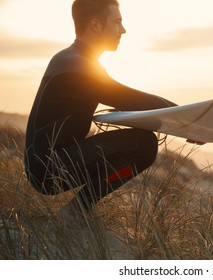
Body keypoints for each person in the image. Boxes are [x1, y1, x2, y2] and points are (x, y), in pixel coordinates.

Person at [24, 0, 177, 226]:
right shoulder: (76, 65)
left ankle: (77, 210)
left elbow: (127, 100)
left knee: (141, 143)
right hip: (48, 169)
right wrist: (187, 116)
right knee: (144, 145)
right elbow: (130, 98)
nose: (122, 30)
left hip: (48, 165)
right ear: (95, 25)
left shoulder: (75, 60)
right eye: (117, 22)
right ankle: (76, 211)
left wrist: (185, 118)